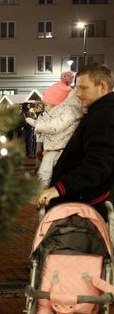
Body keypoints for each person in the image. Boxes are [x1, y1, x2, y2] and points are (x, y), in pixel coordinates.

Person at [37, 63, 114, 219]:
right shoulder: (97, 112)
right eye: (76, 88)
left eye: (83, 88)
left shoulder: (104, 116)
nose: (77, 93)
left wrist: (59, 188)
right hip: (82, 205)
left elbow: (98, 164)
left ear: (103, 87)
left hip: (87, 209)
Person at [26, 84, 82, 188]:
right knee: (47, 171)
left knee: (45, 172)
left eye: (47, 105)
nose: (45, 108)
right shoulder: (59, 114)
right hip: (55, 147)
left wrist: (37, 124)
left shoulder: (68, 113)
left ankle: (42, 191)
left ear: (57, 105)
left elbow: (54, 127)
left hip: (59, 148)